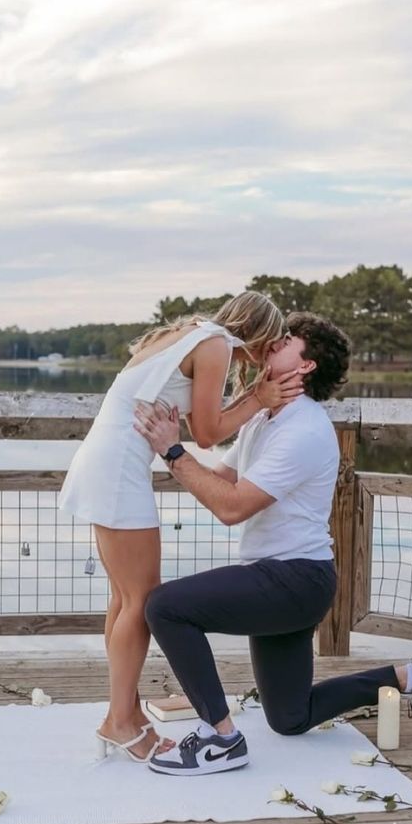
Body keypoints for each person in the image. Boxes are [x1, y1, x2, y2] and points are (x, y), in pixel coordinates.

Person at [135, 312, 412, 776]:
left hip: (294, 580)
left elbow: (232, 507)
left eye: (285, 342)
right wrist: (169, 451)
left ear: (306, 366)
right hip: (283, 579)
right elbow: (219, 482)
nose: (270, 344)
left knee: (165, 607)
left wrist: (174, 452)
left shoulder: (304, 429)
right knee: (289, 717)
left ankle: (221, 739)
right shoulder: (262, 417)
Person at [58, 291, 304, 763]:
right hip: (118, 473)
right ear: (259, 332)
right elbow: (208, 434)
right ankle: (121, 721)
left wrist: (250, 397)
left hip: (106, 463)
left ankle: (122, 712)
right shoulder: (214, 346)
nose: (267, 354)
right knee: (142, 601)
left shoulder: (191, 335)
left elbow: (196, 425)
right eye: (271, 342)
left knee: (123, 599)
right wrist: (261, 398)